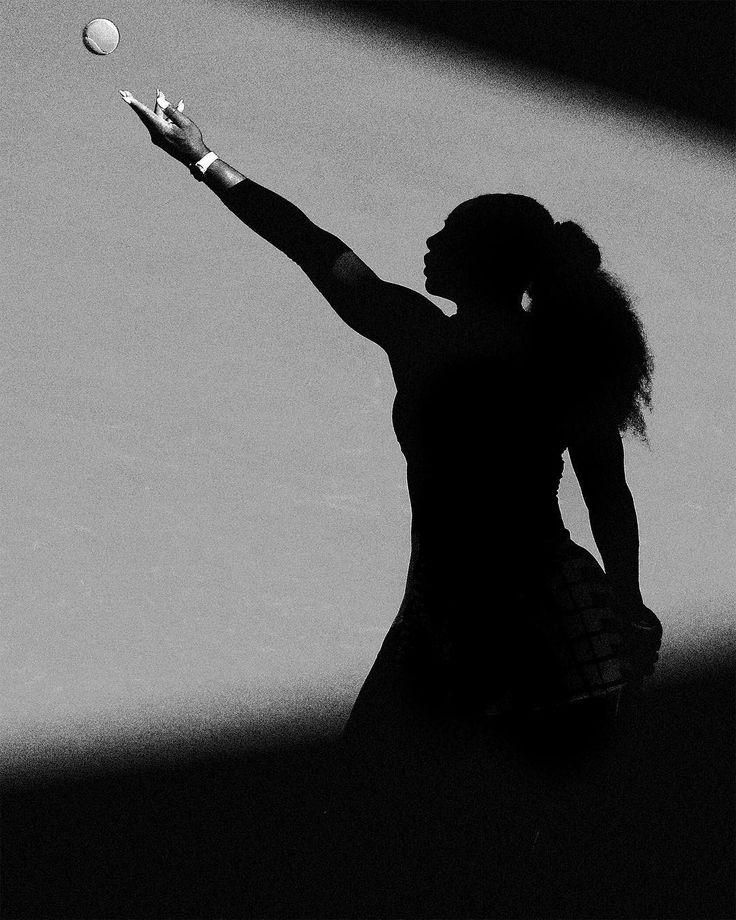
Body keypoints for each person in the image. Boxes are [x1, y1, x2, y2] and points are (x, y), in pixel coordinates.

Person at [121, 90, 663, 913]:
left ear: (479, 263)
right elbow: (607, 496)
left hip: (470, 623)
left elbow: (314, 249)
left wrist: (202, 161)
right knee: (497, 832)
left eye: (447, 234)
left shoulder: (420, 335)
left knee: (392, 817)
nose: (428, 239)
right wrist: (624, 597)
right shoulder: (561, 360)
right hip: (553, 618)